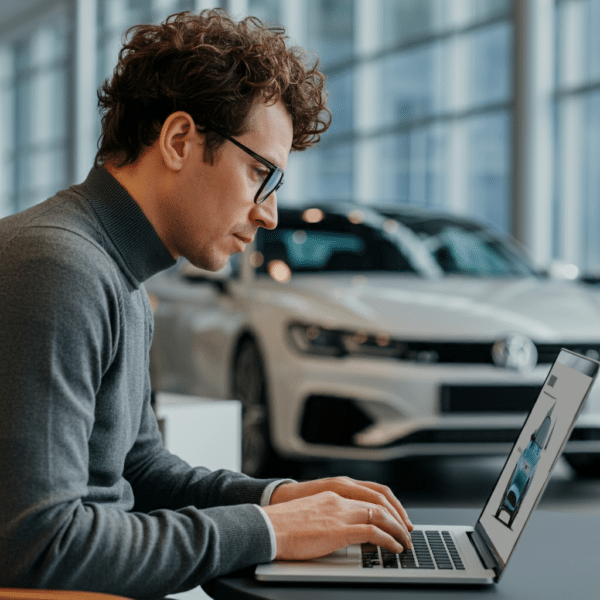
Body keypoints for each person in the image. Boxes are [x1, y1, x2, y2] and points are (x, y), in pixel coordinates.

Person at [0, 9, 413, 599]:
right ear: (178, 141)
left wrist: (277, 499)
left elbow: (138, 471)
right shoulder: (58, 270)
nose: (268, 212)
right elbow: (38, 545)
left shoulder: (117, 273)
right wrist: (268, 531)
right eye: (258, 173)